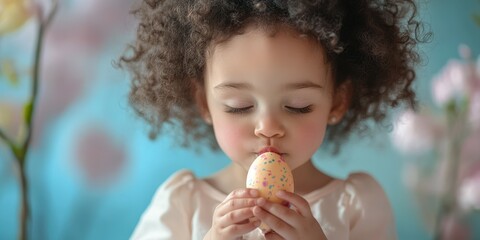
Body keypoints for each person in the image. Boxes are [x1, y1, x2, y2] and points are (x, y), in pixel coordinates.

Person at [119, 0, 428, 239]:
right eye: (239, 106)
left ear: (337, 101)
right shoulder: (183, 204)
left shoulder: (356, 206)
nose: (267, 127)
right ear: (204, 102)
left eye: (297, 106)